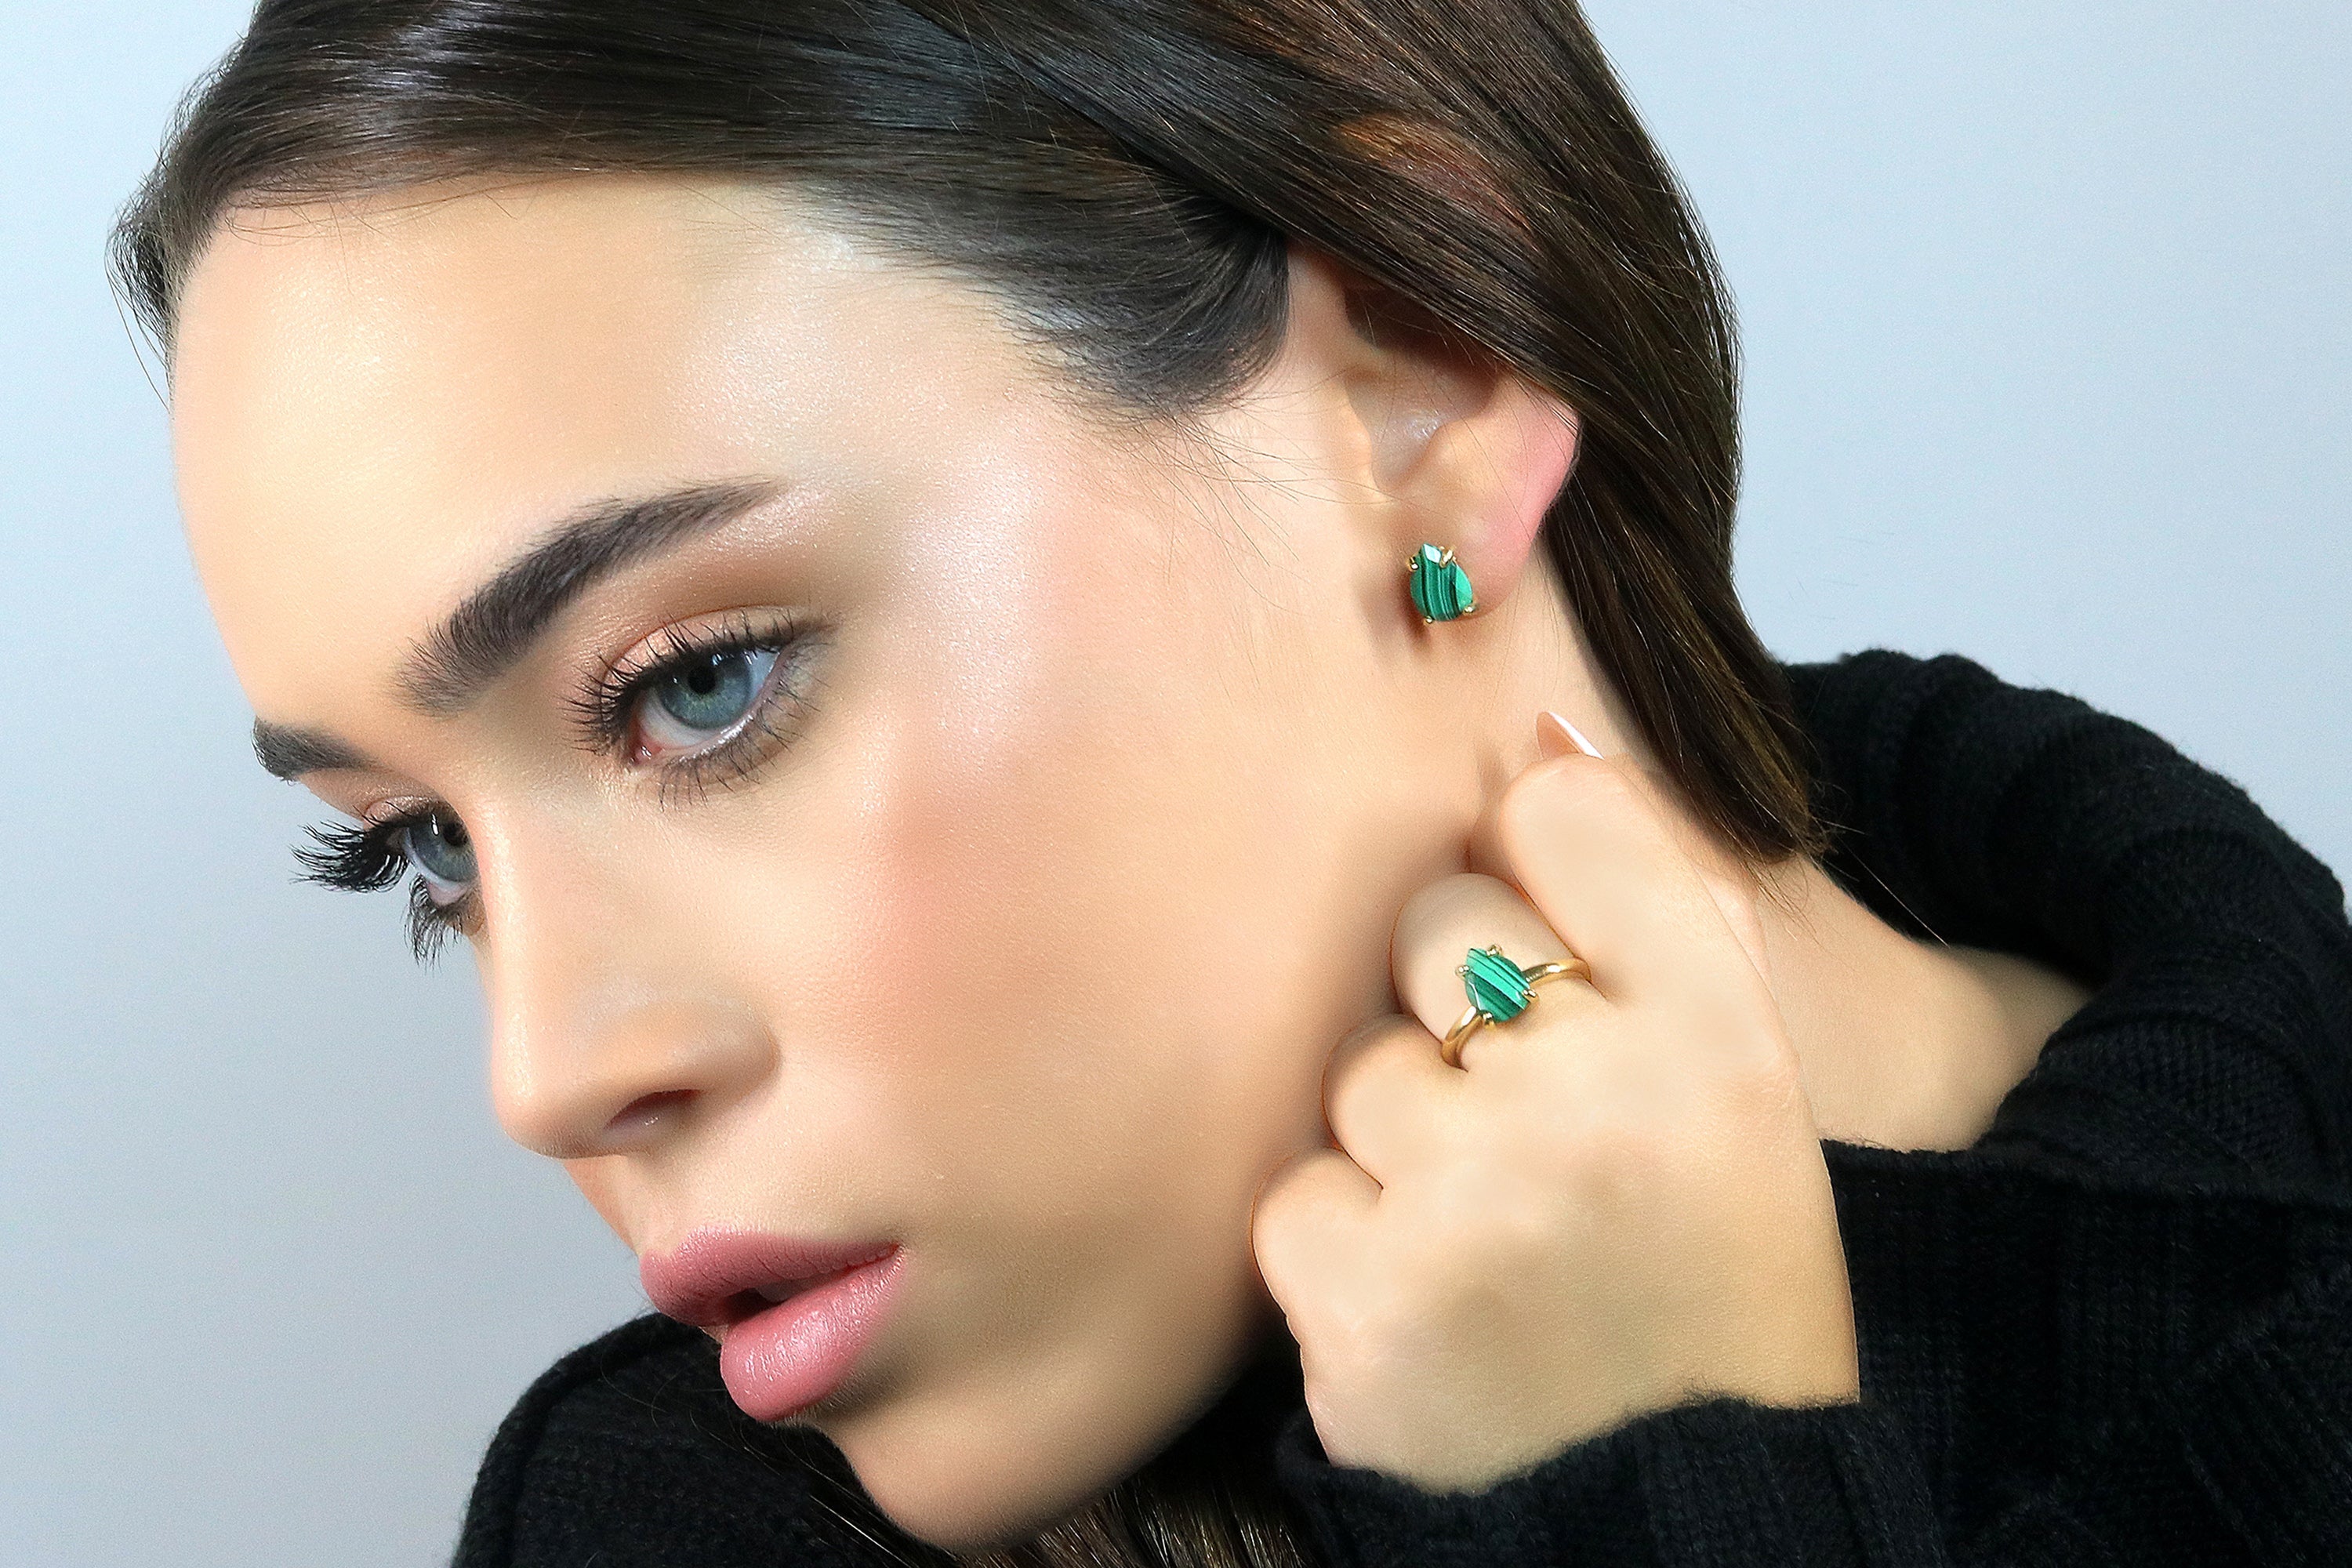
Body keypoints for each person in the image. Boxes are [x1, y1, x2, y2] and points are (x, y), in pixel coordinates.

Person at [118, 2, 2352, 1564]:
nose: (544, 1077)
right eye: (426, 851)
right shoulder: (684, 1523)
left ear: (1430, 379)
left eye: (699, 687)